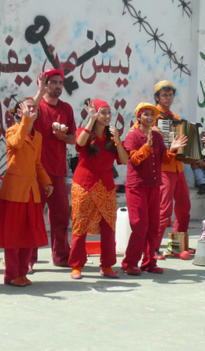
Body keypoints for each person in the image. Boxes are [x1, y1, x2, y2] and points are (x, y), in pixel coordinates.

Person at [0, 95, 53, 287]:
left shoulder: (39, 137)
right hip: (14, 192)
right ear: (19, 113)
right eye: (28, 108)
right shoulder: (12, 131)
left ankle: (22, 272)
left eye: (35, 108)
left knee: (29, 235)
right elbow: (17, 143)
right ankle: (11, 275)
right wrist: (26, 120)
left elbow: (37, 164)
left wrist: (47, 182)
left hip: (32, 193)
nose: (33, 110)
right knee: (13, 237)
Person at [122, 103, 186, 275]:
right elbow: (135, 160)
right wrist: (147, 146)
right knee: (140, 225)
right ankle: (129, 263)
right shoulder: (132, 136)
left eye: (152, 115)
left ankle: (149, 262)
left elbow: (164, 159)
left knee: (153, 225)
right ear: (138, 117)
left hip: (154, 185)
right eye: (146, 115)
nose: (150, 118)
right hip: (137, 186)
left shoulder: (158, 137)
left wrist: (172, 149)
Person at [68, 99, 128, 279]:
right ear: (95, 114)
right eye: (103, 112)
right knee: (80, 225)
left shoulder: (112, 136)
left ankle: (107, 265)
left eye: (109, 113)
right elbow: (79, 142)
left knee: (109, 225)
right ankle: (77, 265)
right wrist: (91, 120)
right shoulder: (84, 131)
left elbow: (124, 160)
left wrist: (117, 140)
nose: (108, 116)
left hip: (106, 186)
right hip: (83, 185)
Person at [31, 68, 76, 268]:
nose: (58, 86)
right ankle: (28, 259)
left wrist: (63, 137)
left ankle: (61, 257)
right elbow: (25, 115)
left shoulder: (66, 108)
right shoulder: (37, 105)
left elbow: (74, 138)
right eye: (53, 82)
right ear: (45, 84)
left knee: (61, 215)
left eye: (60, 82)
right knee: (33, 216)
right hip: (36, 170)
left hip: (58, 170)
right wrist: (39, 91)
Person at [153, 80, 191, 258]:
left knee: (184, 207)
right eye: (164, 95)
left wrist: (200, 146)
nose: (168, 98)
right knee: (164, 210)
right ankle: (152, 248)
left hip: (178, 168)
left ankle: (177, 247)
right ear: (157, 97)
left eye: (170, 95)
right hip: (163, 168)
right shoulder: (153, 116)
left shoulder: (176, 118)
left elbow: (185, 146)